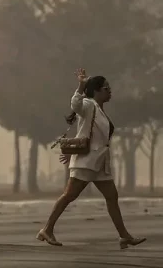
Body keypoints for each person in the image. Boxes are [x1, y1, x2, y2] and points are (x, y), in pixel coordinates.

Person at [37, 68, 146, 249]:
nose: (109, 91)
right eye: (106, 88)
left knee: (112, 196)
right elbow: (75, 104)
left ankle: (124, 236)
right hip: (86, 162)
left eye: (109, 88)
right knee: (69, 195)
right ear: (96, 91)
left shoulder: (100, 110)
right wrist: (80, 85)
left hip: (100, 163)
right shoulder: (88, 105)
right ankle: (47, 229)